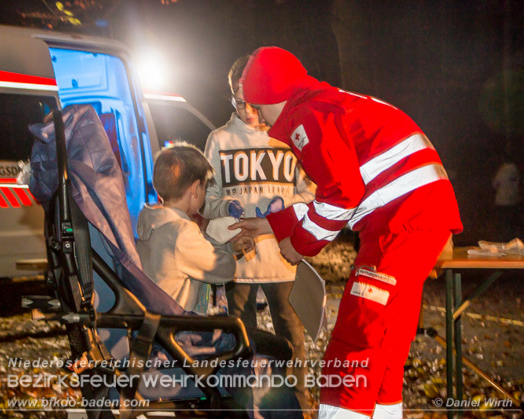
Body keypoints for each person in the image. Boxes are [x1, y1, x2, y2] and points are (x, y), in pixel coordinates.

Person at [232, 47, 463, 418]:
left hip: (399, 222)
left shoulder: (304, 117)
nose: (254, 115)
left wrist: (299, 244)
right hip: (415, 216)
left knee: (353, 342)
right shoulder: (324, 103)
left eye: (252, 104)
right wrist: (274, 224)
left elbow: (342, 196)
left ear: (267, 94)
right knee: (384, 343)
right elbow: (344, 192)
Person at [201, 55, 316, 412]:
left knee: (290, 337)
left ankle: (293, 408)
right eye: (240, 100)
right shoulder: (219, 140)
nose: (249, 109)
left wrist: (285, 207)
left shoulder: (288, 136)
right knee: (238, 338)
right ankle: (240, 409)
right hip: (237, 258)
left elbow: (312, 189)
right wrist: (224, 211)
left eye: (253, 100)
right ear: (231, 97)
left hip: (282, 254)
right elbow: (207, 198)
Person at [136, 143, 254, 313]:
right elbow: (224, 270)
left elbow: (198, 252)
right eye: (204, 187)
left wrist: (230, 247)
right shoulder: (181, 233)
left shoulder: (154, 223)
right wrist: (228, 255)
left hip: (158, 324)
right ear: (195, 188)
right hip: (181, 331)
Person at [492, 158, 522, 241]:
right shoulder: (515, 171)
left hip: (502, 200)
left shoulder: (502, 171)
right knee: (511, 222)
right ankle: (511, 238)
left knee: (503, 222)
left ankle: (503, 239)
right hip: (512, 200)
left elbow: (495, 183)